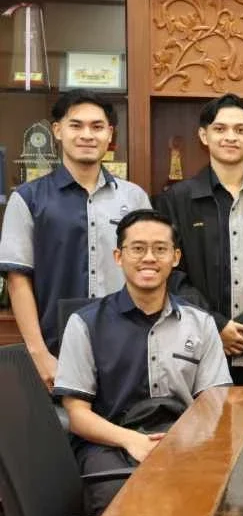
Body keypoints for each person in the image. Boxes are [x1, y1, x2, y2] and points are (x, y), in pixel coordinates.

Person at [54, 209, 232, 513]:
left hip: (185, 438)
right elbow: (78, 415)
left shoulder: (200, 324)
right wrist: (131, 440)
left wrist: (181, 440)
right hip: (109, 442)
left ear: (175, 257)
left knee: (213, 499)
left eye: (160, 249)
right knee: (119, 500)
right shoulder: (84, 324)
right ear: (118, 256)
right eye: (137, 248)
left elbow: (215, 403)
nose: (149, 258)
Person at [0, 90, 151, 387]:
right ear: (58, 131)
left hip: (127, 348)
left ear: (110, 134)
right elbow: (18, 280)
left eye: (97, 126)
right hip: (56, 349)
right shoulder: (28, 198)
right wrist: (39, 353)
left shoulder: (134, 198)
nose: (87, 135)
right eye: (76, 125)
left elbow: (150, 272)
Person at [155, 94, 243, 385]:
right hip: (197, 351)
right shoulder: (176, 200)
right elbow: (172, 274)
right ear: (203, 136)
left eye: (240, 130)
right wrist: (217, 326)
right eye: (220, 129)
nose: (230, 137)